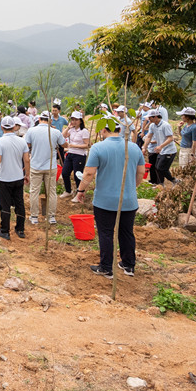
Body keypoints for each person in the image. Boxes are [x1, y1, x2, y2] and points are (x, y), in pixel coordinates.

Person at [78, 117, 146, 278]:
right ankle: (129, 265)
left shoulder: (98, 148)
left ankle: (106, 267)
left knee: (106, 233)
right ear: (120, 130)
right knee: (126, 232)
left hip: (105, 201)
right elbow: (141, 172)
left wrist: (81, 190)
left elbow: (88, 172)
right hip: (128, 200)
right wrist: (132, 187)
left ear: (103, 130)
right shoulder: (134, 148)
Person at [25, 110, 66, 225]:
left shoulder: (31, 131)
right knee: (52, 191)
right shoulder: (55, 132)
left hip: (35, 166)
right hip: (50, 166)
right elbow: (64, 144)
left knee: (34, 191)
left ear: (39, 119)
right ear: (50, 120)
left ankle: (34, 217)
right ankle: (51, 216)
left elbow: (26, 145)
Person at [0, 116, 30, 240]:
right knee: (19, 204)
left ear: (2, 127)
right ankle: (20, 229)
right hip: (18, 177)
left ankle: (5, 231)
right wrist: (27, 174)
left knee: (5, 204)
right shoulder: (21, 141)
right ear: (14, 127)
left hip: (5, 178)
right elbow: (27, 160)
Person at [141, 109, 177, 186]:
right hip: (162, 150)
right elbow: (148, 137)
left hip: (169, 150)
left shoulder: (165, 125)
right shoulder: (152, 125)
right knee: (157, 168)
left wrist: (160, 146)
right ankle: (161, 184)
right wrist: (144, 147)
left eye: (150, 117)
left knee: (161, 168)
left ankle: (173, 180)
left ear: (156, 117)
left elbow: (170, 138)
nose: (149, 119)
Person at [62, 111, 90, 199]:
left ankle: (79, 193)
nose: (74, 121)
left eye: (76, 120)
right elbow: (62, 136)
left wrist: (74, 145)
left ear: (80, 121)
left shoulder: (84, 131)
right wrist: (68, 128)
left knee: (77, 175)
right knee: (65, 173)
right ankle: (68, 190)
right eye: (72, 119)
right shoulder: (71, 129)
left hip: (79, 155)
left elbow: (87, 145)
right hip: (70, 153)